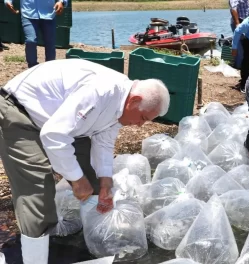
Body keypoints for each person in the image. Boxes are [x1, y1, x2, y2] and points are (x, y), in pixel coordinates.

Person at [0, 59, 170, 264]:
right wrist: (75, 179)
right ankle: (34, 258)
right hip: (20, 113)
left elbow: (104, 142)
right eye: (142, 117)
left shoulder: (120, 106)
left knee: (94, 181)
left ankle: (93, 241)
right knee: (37, 192)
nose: (140, 125)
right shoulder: (101, 92)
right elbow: (54, 135)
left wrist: (105, 181)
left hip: (60, 122)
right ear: (134, 100)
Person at [5, 0, 67, 68]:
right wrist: (8, 1)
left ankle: (50, 69)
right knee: (30, 41)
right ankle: (32, 68)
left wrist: (62, 1)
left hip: (48, 13)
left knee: (50, 44)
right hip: (28, 12)